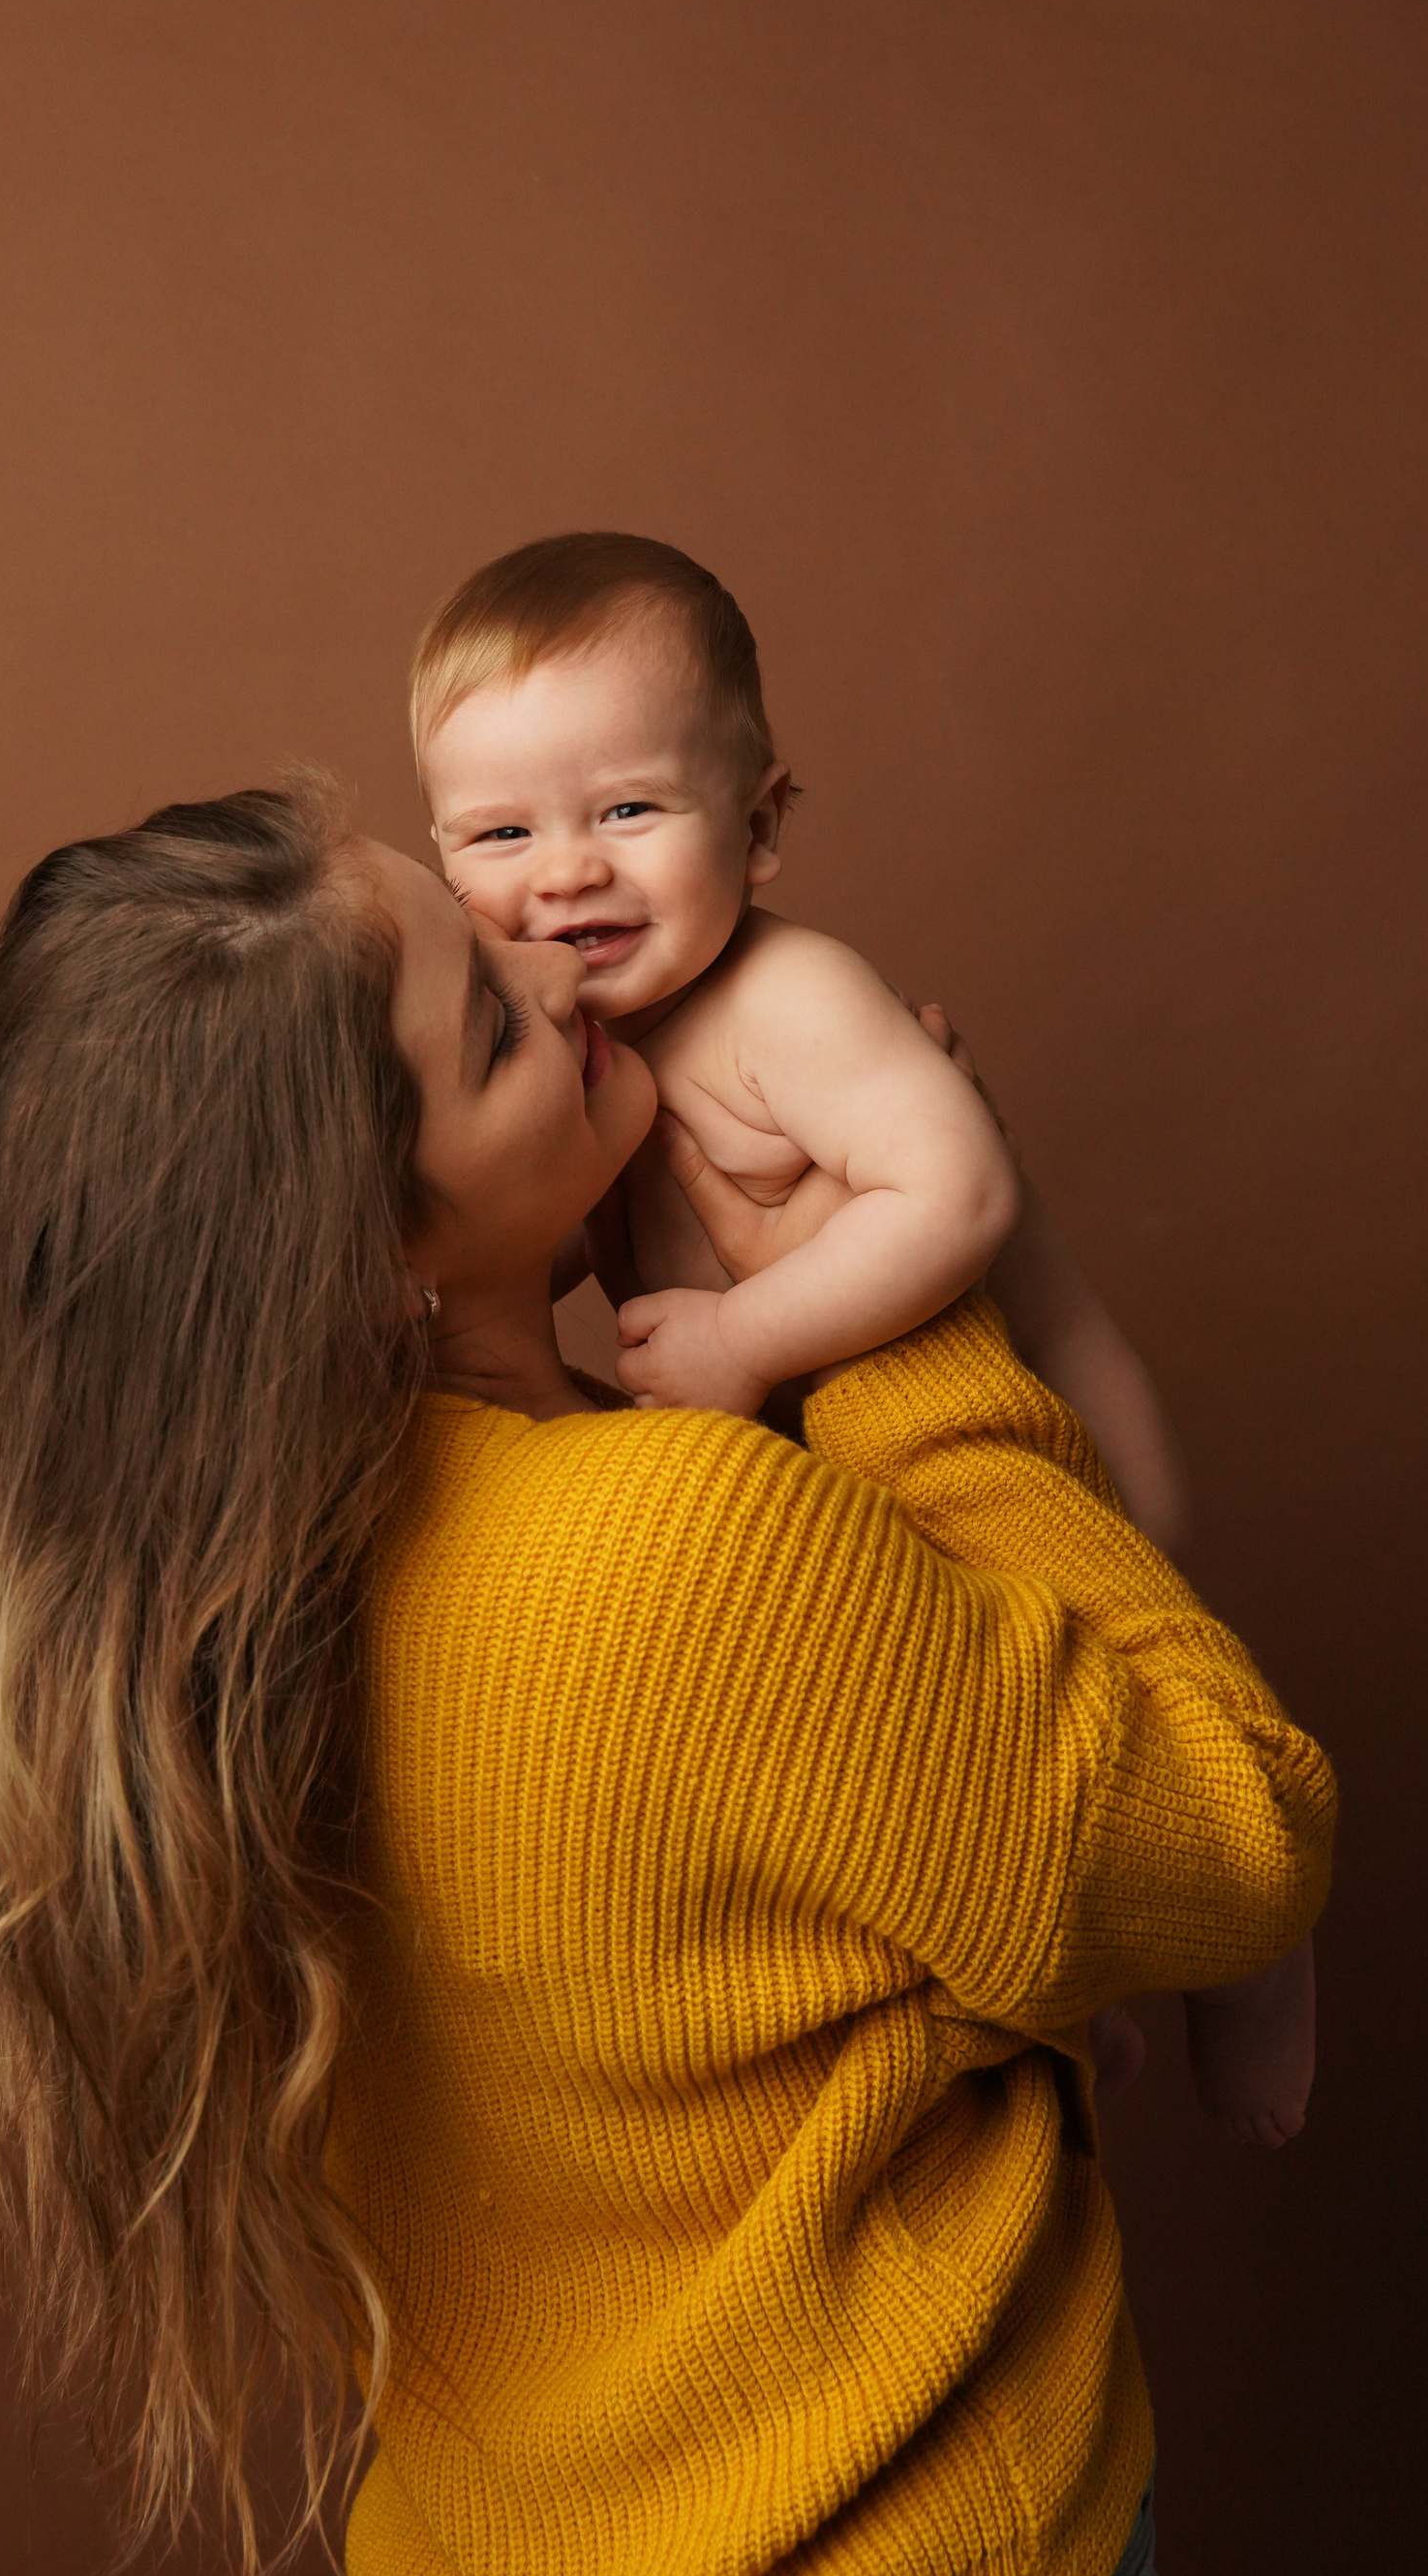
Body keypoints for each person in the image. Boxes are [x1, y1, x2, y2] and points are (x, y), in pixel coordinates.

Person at [0, 774, 1335, 2576]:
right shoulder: (673, 1555)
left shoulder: (213, 1629)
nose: (557, 961)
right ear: (360, 1257)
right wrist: (885, 1316)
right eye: (488, 1026)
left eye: (478, 923)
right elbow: (1237, 1836)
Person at [413, 532, 1316, 2153]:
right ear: (442, 855)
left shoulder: (791, 999)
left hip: (1061, 1454)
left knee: (1112, 1736)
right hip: (851, 1490)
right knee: (947, 1786)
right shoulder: (587, 1040)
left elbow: (955, 1190)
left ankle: (1255, 1952)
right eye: (501, 833)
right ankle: (1064, 2001)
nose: (565, 875)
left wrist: (747, 1337)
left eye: (628, 811)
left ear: (759, 826)